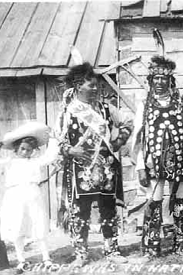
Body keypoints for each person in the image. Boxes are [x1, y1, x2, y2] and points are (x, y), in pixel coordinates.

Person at [57, 62, 133, 266]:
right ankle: (81, 254)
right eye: (91, 85)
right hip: (81, 169)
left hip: (106, 167)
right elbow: (58, 140)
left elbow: (128, 122)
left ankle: (112, 250)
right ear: (79, 85)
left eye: (96, 84)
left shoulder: (106, 109)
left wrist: (118, 142)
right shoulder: (69, 111)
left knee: (108, 209)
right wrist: (70, 150)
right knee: (80, 211)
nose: (95, 88)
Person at [132, 55, 183, 257]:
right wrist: (141, 167)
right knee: (154, 201)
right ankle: (151, 246)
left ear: (171, 80)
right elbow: (138, 137)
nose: (160, 82)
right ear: (150, 81)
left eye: (164, 78)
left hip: (178, 161)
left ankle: (182, 244)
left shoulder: (181, 104)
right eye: (156, 79)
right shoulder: (144, 106)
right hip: (154, 163)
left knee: (180, 200)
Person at [0, 122, 59, 273]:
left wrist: (52, 140)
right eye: (22, 149)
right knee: (17, 227)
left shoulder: (35, 162)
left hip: (32, 194)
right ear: (16, 148)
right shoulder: (7, 163)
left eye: (29, 150)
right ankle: (21, 259)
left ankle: (46, 258)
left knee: (38, 225)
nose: (25, 152)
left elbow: (50, 157)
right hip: (14, 196)